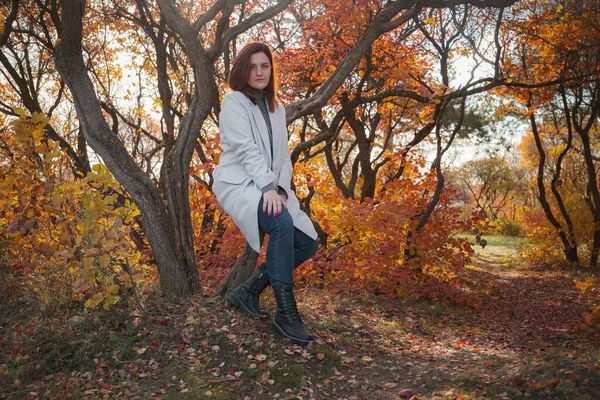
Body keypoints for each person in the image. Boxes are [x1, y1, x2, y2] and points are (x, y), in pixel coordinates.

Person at [212, 42, 319, 346]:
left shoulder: (278, 108)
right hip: (240, 183)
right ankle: (286, 314)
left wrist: (281, 190)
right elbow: (245, 149)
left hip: (271, 186)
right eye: (252, 67)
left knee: (308, 242)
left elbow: (284, 156)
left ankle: (248, 292)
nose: (259, 72)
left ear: (271, 70)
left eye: (265, 66)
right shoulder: (234, 102)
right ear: (243, 70)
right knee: (281, 224)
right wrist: (267, 188)